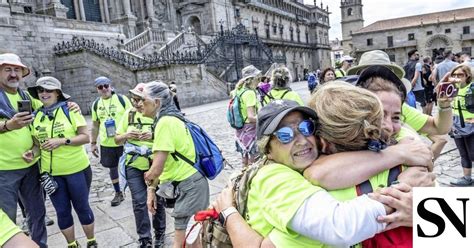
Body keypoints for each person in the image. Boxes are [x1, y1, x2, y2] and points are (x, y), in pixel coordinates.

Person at [212, 95, 420, 247]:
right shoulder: (275, 177)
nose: (302, 141)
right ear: (268, 150)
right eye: (284, 135)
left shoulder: (338, 175)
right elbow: (340, 226)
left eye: (306, 128)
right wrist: (406, 198)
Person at [24, 76, 97, 248]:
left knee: (82, 208)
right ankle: (72, 244)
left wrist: (62, 141)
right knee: (62, 212)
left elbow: (85, 137)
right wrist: (31, 154)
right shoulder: (36, 117)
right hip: (51, 175)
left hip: (77, 170)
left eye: (48, 90)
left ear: (57, 93)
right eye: (41, 90)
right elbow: (37, 146)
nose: (44, 93)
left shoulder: (70, 110)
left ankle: (91, 241)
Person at [140, 81, 209, 248]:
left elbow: (156, 168)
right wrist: (151, 190)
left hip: (190, 186)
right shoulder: (171, 118)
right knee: (194, 237)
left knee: (182, 240)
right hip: (192, 184)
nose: (140, 104)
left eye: (144, 100)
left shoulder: (165, 122)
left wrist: (147, 177)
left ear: (156, 103)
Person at [347, 49, 453, 137]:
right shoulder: (346, 111)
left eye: (395, 118)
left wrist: (444, 105)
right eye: (368, 76)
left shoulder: (396, 107)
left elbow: (438, 127)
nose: (376, 81)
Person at [0, 53, 47, 248]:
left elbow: (47, 108)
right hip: (4, 170)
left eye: (17, 70)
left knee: (37, 213)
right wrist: (8, 125)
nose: (13, 74)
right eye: (8, 70)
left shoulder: (25, 96)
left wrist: (67, 104)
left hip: (30, 166)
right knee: (6, 220)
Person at [115, 83, 166, 248]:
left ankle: (159, 234)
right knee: (139, 201)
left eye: (140, 99)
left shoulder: (158, 115)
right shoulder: (128, 114)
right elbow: (116, 139)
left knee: (157, 199)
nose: (136, 103)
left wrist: (152, 135)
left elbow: (167, 138)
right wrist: (126, 135)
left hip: (155, 163)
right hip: (133, 163)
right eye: (134, 99)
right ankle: (144, 238)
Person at [90, 76, 132, 206]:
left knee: (131, 166)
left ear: (110, 85)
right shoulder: (96, 104)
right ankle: (118, 193)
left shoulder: (122, 100)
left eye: (106, 86)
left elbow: (132, 117)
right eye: (100, 87)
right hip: (107, 143)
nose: (104, 89)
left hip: (123, 140)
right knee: (113, 169)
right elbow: (95, 125)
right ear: (97, 89)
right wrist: (93, 143)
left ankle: (136, 191)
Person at [448, 64, 474, 186]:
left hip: (471, 125)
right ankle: (467, 178)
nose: (457, 77)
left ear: (467, 75)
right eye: (455, 75)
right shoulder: (451, 88)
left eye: (460, 75)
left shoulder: (472, 88)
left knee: (473, 153)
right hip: (456, 126)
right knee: (463, 153)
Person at [233, 65, 261, 167]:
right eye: (258, 78)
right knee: (253, 161)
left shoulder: (238, 90)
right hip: (250, 130)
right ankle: (250, 180)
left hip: (240, 130)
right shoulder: (250, 93)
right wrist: (264, 119)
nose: (259, 80)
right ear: (252, 79)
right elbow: (251, 117)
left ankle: (242, 180)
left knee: (244, 160)